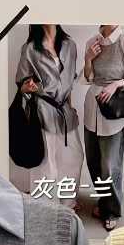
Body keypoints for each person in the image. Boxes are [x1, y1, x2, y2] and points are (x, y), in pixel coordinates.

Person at [13, 24, 84, 208]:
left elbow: (70, 81)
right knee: (46, 165)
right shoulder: (30, 49)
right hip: (42, 111)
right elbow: (21, 84)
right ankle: (46, 207)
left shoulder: (70, 45)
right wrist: (26, 87)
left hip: (65, 112)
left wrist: (71, 108)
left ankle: (67, 204)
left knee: (74, 158)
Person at [83, 25, 124, 231]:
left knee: (110, 166)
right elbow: (88, 78)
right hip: (92, 107)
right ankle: (104, 202)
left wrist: (116, 84)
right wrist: (88, 59)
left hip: (113, 108)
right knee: (93, 162)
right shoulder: (92, 41)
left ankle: (112, 211)